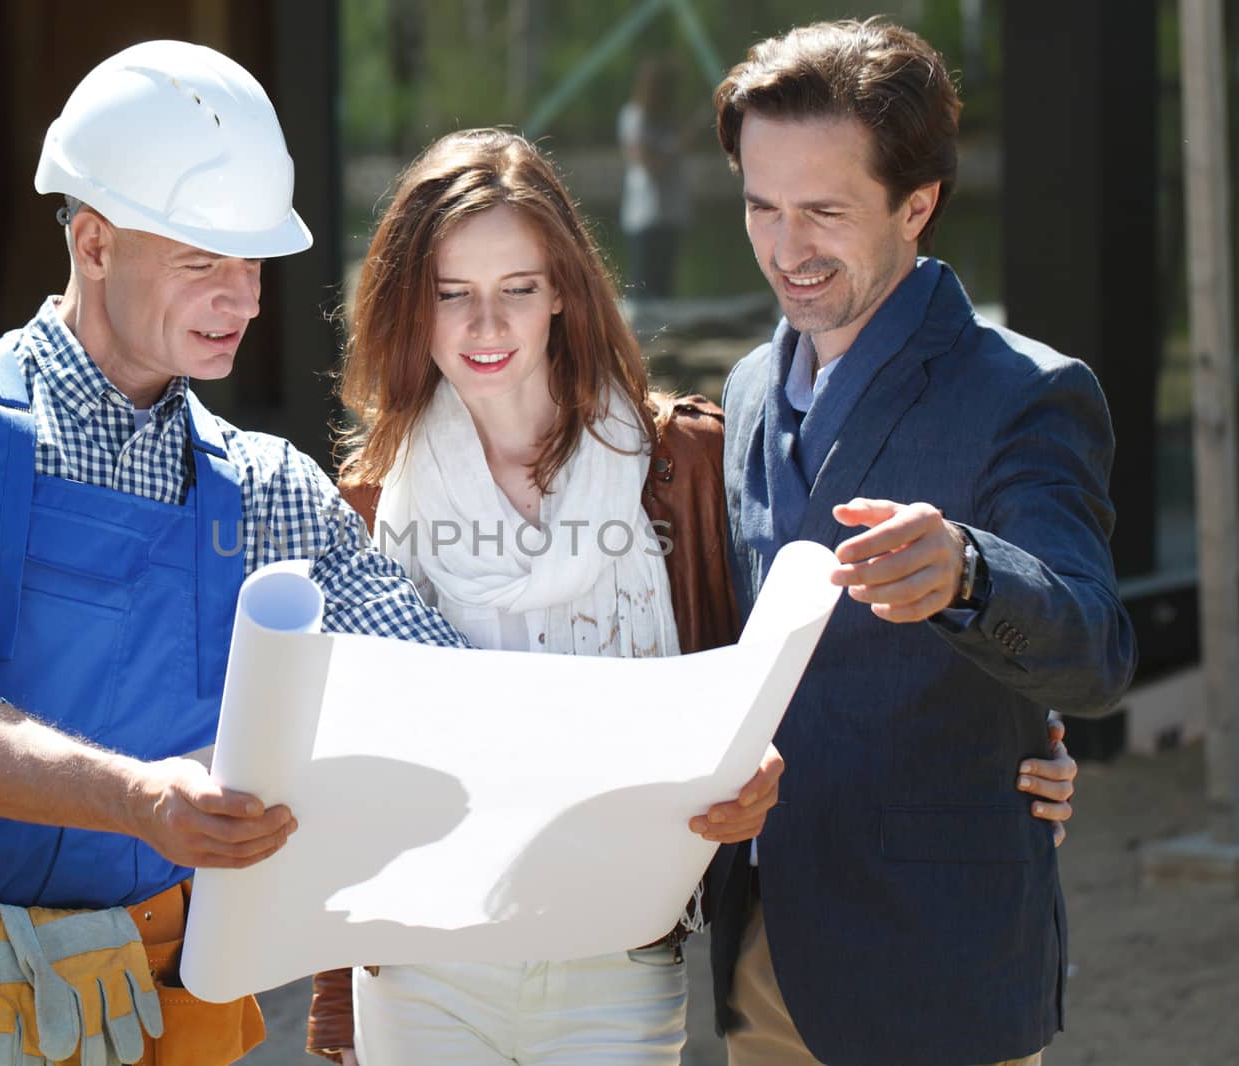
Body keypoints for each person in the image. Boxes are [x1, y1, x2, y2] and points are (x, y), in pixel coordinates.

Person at [0, 41, 475, 1066]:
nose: (246, 298)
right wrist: (142, 799)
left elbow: (437, 680)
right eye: (203, 261)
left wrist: (675, 764)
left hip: (141, 1010)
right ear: (92, 243)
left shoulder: (270, 494)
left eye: (254, 262)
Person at [303, 128, 1080, 1066]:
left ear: (561, 294)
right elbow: (347, 767)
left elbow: (785, 672)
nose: (487, 326)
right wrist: (336, 1003)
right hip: (422, 964)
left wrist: (1015, 742)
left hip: (615, 955)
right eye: (451, 294)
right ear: (409, 308)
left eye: (516, 289)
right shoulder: (369, 500)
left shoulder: (680, 468)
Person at [706, 19, 1138, 1066]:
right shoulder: (749, 388)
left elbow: (1096, 653)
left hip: (937, 962)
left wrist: (972, 573)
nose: (784, 246)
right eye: (761, 205)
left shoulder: (1025, 391)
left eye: (823, 210)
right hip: (762, 955)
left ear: (917, 204)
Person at [618, 57, 692, 301]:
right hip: (646, 211)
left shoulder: (670, 118)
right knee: (643, 280)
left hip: (672, 210)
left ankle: (665, 325)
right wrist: (675, 148)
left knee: (665, 280)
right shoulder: (634, 116)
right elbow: (645, 162)